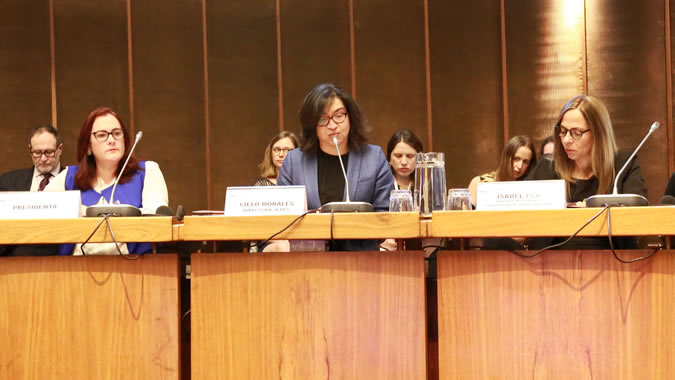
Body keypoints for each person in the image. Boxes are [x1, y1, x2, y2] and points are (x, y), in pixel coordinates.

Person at [278, 83, 394, 251]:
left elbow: (387, 215)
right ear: (312, 124)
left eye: (338, 116)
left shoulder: (373, 158)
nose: (332, 125)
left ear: (350, 118)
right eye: (322, 119)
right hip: (308, 259)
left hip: (362, 261)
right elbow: (282, 218)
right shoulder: (294, 161)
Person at [526, 95, 647, 248]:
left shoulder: (624, 164)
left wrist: (591, 211)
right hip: (548, 264)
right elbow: (519, 214)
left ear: (598, 133)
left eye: (576, 132)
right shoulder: (547, 167)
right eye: (563, 131)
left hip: (613, 264)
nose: (567, 140)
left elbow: (638, 216)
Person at [46, 107, 169, 255]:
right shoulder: (69, 177)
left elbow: (157, 219)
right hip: (75, 271)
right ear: (88, 147)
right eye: (102, 135)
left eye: (117, 133)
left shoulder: (147, 171)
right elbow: (41, 210)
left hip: (137, 268)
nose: (111, 140)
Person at [0, 125, 64, 256]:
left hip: (62, 258)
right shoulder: (7, 183)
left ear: (60, 149)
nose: (44, 158)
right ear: (30, 149)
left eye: (49, 152)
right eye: (37, 153)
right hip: (16, 259)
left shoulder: (75, 181)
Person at [468, 135, 537, 207]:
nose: (520, 166)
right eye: (516, 159)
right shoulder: (479, 183)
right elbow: (465, 217)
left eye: (525, 162)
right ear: (506, 157)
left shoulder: (528, 189)